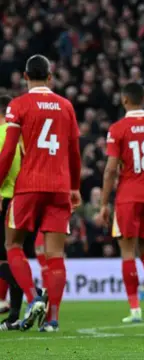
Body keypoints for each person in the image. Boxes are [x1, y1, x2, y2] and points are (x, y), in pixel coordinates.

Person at [0, 54, 82, 332]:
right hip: (59, 187)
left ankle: (33, 298)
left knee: (13, 245)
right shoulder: (66, 106)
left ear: (25, 77)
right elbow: (74, 151)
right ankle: (52, 320)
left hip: (28, 186)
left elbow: (9, 151)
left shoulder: (18, 106)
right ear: (50, 77)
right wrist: (75, 188)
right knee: (55, 254)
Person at [98, 82, 144, 323]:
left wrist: (103, 203)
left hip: (128, 196)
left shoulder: (118, 128)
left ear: (124, 100)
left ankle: (135, 310)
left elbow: (110, 170)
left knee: (127, 252)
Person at [0, 95, 24, 331]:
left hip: (4, 199)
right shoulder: (21, 134)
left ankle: (35, 292)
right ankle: (15, 316)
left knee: (6, 261)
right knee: (13, 258)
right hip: (22, 201)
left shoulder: (2, 133)